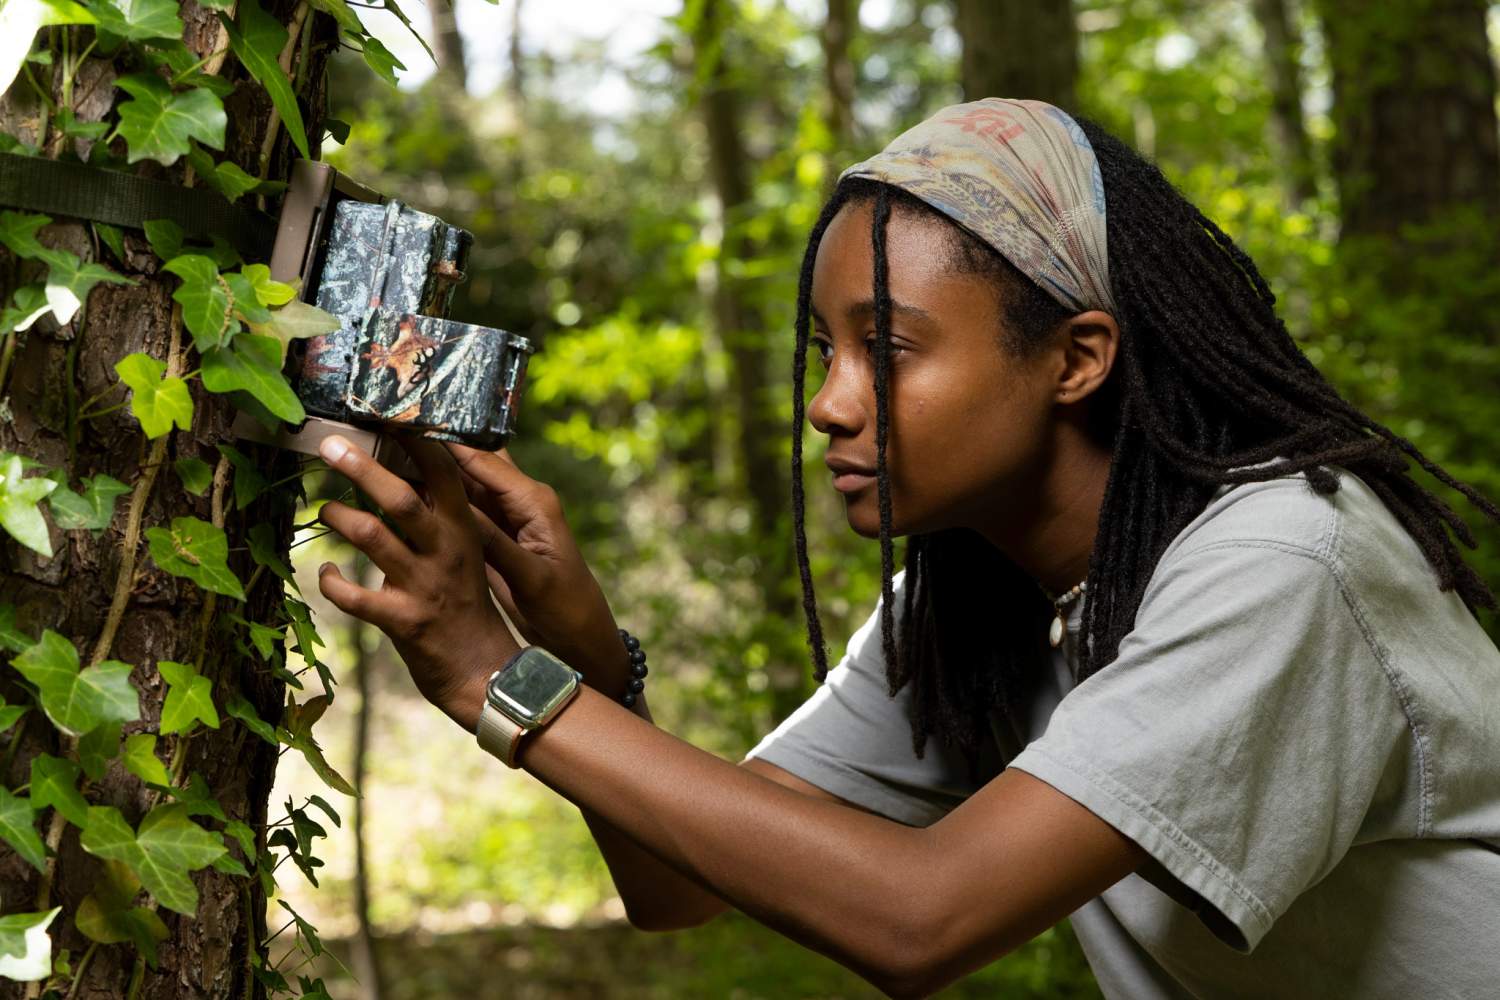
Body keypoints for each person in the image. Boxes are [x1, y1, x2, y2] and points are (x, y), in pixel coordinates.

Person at [310, 99, 1500, 998]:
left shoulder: (1284, 561)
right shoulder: (985, 591)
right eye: (823, 351)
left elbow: (919, 919)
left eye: (889, 348)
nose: (830, 403)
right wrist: (575, 651)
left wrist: (489, 677)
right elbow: (681, 885)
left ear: (1077, 358)